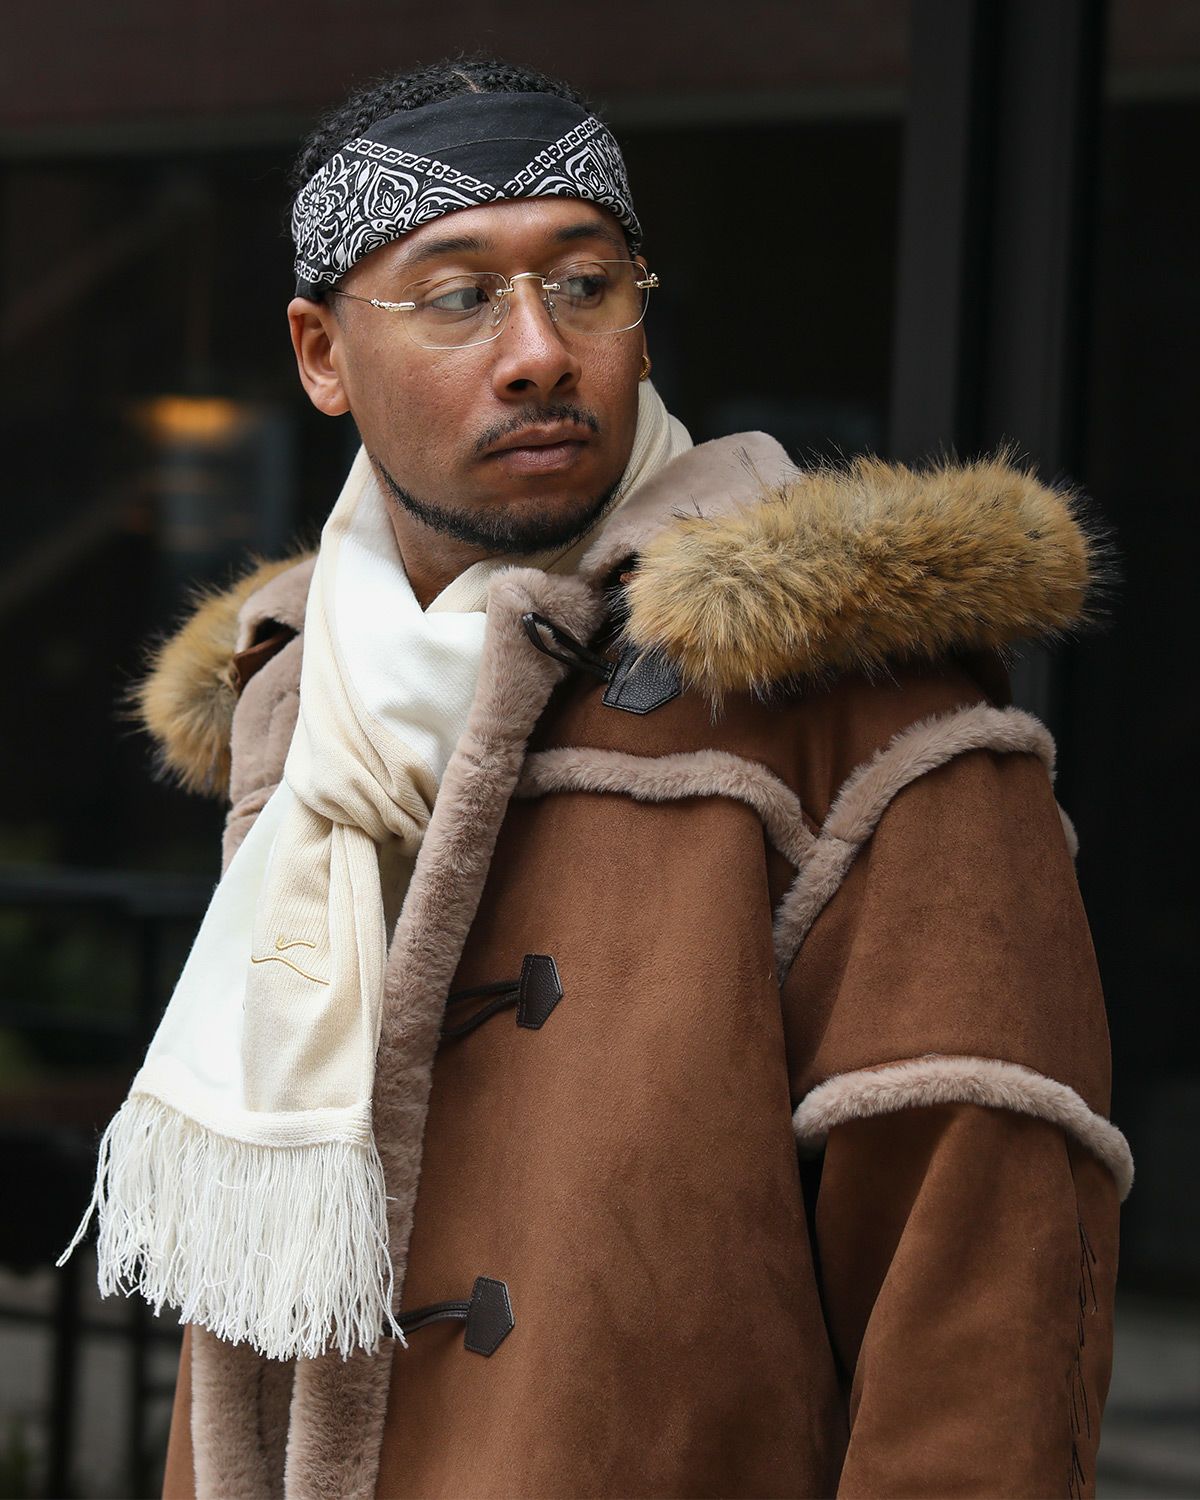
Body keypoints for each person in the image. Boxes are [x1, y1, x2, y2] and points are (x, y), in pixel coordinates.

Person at [63, 55, 1128, 1500]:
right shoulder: (306, 707)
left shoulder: (861, 704)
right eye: (458, 296)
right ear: (321, 355)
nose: (540, 351)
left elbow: (982, 1305)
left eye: (585, 284)